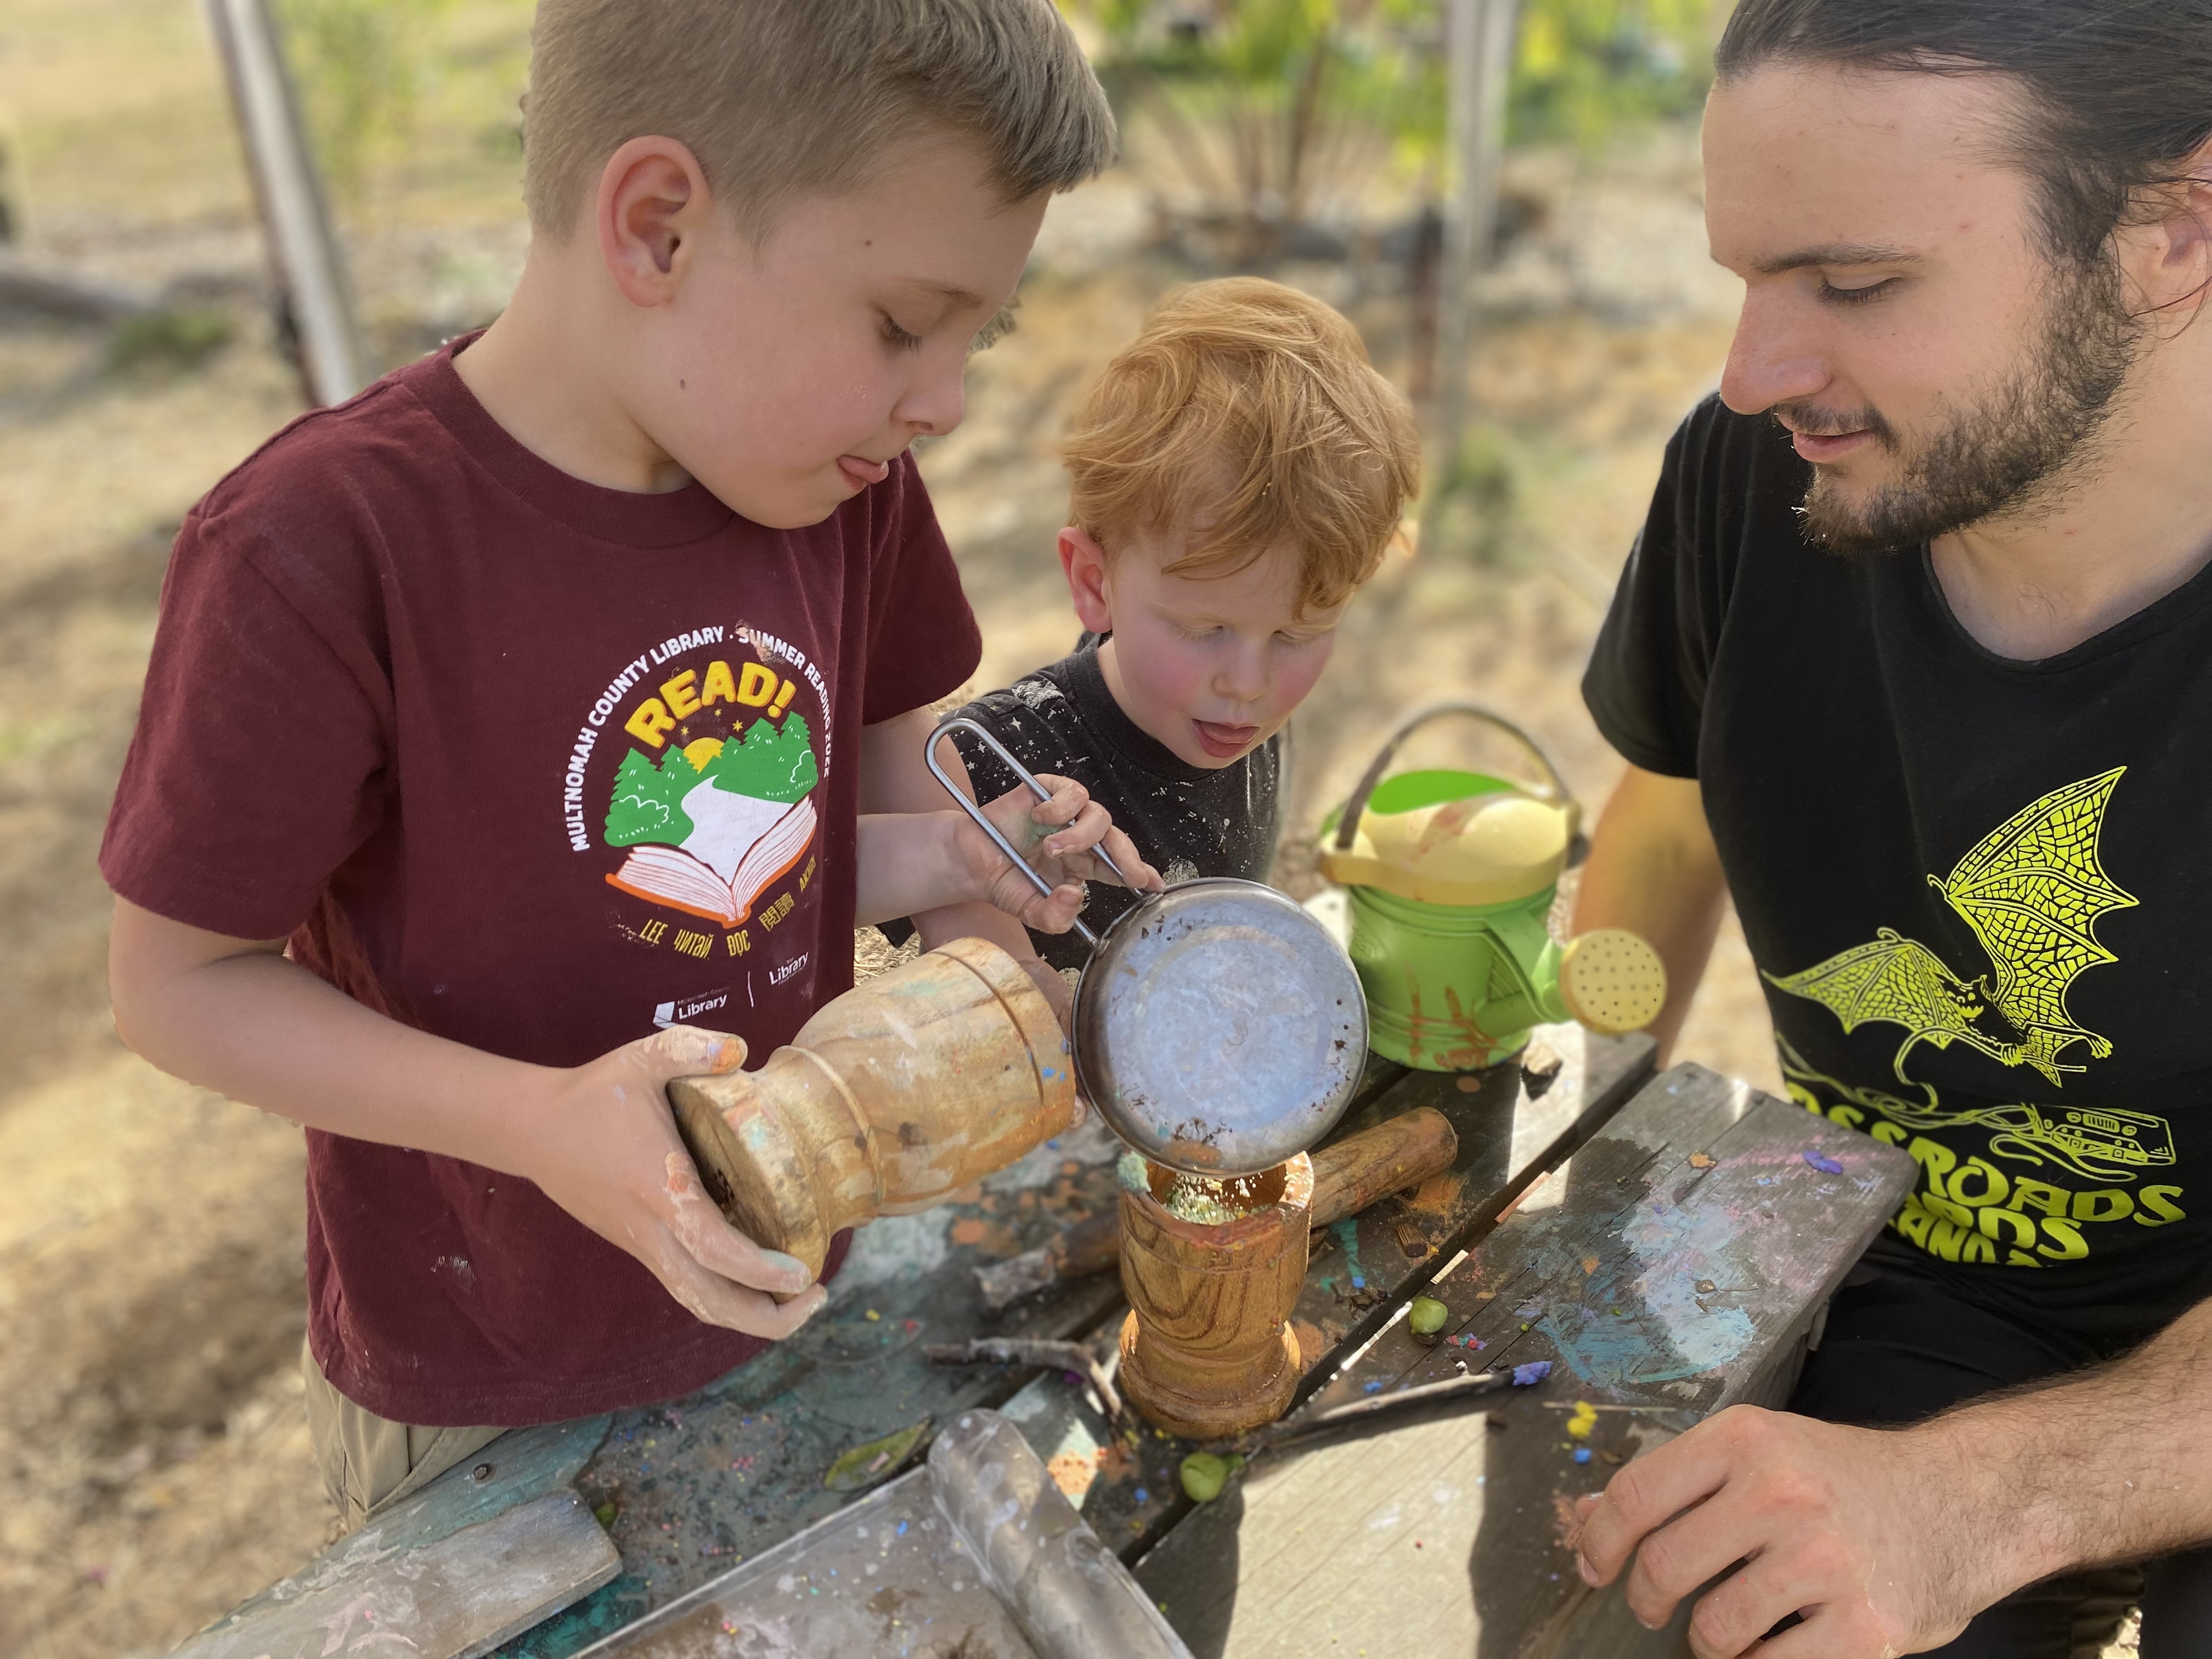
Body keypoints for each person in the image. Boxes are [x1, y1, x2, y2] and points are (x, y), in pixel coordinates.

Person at [97, 0, 1163, 1532]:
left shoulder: (843, 486)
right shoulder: (324, 548)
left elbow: (847, 837)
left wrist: (980, 926)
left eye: (973, 337)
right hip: (487, 1388)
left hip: (814, 1278)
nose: (949, 402)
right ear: (658, 228)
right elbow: (178, 983)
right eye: (901, 325)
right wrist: (543, 1127)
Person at [1566, 1, 2212, 1653]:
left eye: (1854, 286)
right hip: (1925, 1298)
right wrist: (1576, 1152)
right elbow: (1667, 823)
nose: (1753, 374)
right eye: (1748, 276)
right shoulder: (1757, 475)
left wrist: (1987, 1504)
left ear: (2175, 232)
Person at [883, 278, 1420, 1006]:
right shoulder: (993, 766)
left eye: (1301, 633)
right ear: (1097, 584)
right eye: (1204, 630)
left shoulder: (1224, 703)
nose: (1249, 683)